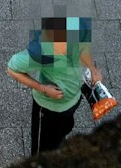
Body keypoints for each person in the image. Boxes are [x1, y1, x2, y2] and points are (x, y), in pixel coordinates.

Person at [7, 13, 103, 155]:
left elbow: (84, 48)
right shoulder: (41, 52)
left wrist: (93, 69)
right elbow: (12, 68)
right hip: (49, 109)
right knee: (42, 150)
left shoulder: (77, 29)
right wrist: (43, 88)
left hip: (72, 101)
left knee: (63, 131)